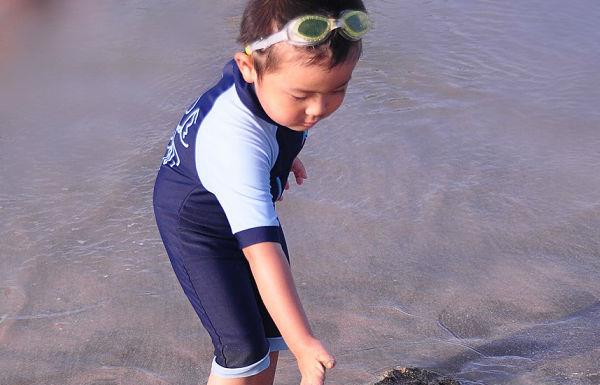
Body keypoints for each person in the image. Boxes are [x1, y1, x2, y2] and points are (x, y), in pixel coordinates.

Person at [152, 1, 370, 384]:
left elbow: (277, 128)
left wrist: (282, 158)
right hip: (198, 225)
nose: (318, 109)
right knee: (243, 350)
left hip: (232, 187)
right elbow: (262, 253)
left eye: (338, 89)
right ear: (247, 67)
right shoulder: (235, 144)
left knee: (270, 333)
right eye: (302, 96)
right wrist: (304, 344)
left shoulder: (273, 83)